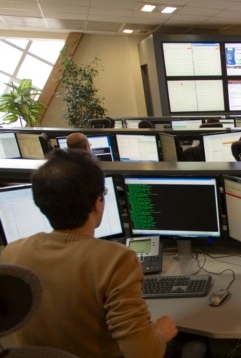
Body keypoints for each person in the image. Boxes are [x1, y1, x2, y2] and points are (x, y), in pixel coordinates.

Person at [0, 149, 178, 357]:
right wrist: (159, 333)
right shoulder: (115, 259)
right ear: (97, 202)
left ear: (40, 204)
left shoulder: (12, 253)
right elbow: (143, 354)